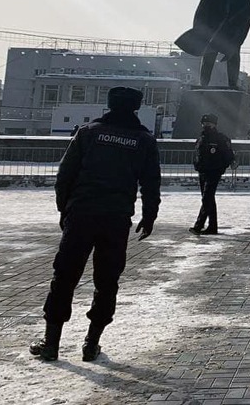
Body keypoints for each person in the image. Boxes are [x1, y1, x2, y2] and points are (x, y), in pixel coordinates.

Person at [30, 86, 161, 362]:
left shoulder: (88, 133)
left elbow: (65, 175)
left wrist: (65, 209)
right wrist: (149, 216)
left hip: (82, 213)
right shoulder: (144, 140)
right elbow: (151, 183)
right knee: (107, 280)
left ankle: (51, 343)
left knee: (65, 276)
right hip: (116, 218)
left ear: (110, 104)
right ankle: (92, 343)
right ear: (136, 107)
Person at [175, 0, 250, 89]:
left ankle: (204, 84)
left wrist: (199, 29)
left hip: (213, 31)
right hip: (231, 33)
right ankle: (232, 85)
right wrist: (239, 27)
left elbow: (202, 9)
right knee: (233, 57)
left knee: (209, 56)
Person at [190, 114, 234, 236]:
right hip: (203, 171)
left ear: (214, 125)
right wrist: (197, 165)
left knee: (207, 198)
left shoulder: (220, 138)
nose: (205, 126)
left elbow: (228, 155)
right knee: (209, 199)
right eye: (204, 124)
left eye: (208, 124)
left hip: (214, 171)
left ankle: (199, 226)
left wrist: (221, 167)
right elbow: (197, 154)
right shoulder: (201, 138)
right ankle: (212, 227)